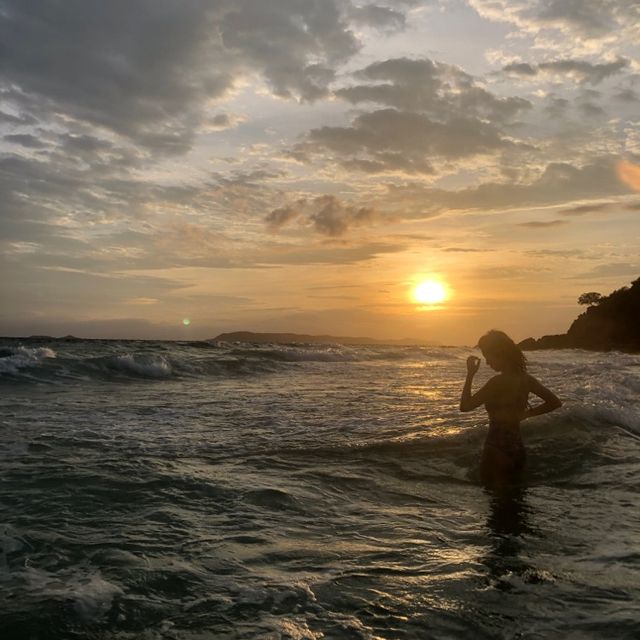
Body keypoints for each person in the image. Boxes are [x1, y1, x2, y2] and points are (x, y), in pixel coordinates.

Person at [460, 329, 562, 488]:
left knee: (495, 503)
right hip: (517, 449)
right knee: (517, 503)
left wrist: (470, 375)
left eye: (488, 357)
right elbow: (555, 402)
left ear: (500, 353)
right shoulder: (526, 379)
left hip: (496, 449)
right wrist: (526, 415)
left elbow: (465, 406)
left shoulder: (496, 382)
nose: (487, 363)